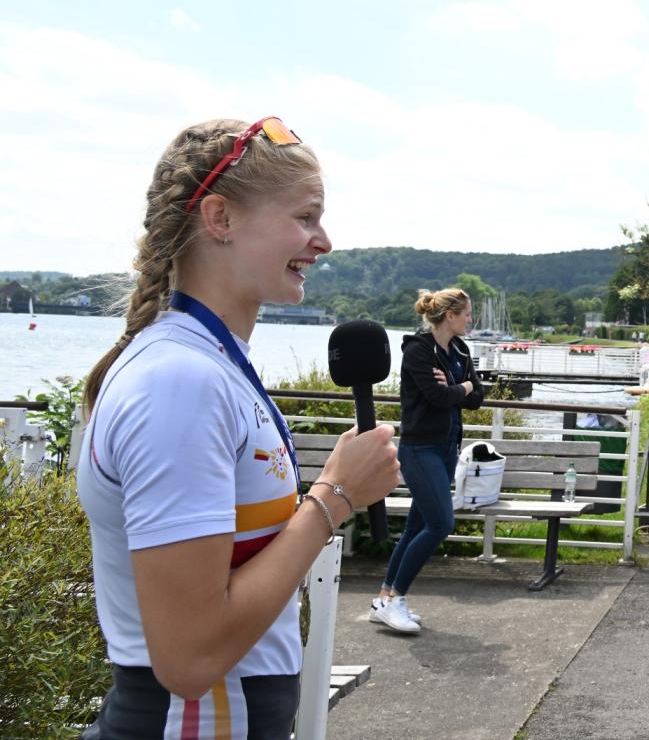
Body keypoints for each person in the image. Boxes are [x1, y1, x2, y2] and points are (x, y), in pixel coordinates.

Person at [76, 117, 400, 738]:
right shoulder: (181, 382)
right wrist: (334, 498)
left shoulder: (206, 365)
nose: (324, 241)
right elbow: (190, 659)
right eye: (305, 216)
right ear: (220, 218)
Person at [372, 288, 485, 634]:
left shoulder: (460, 350)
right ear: (450, 316)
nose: (470, 319)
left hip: (447, 447)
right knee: (440, 524)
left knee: (415, 528)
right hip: (420, 450)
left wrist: (458, 387)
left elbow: (477, 396)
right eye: (467, 313)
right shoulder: (418, 351)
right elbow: (437, 397)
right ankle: (396, 600)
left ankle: (383, 599)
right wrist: (461, 387)